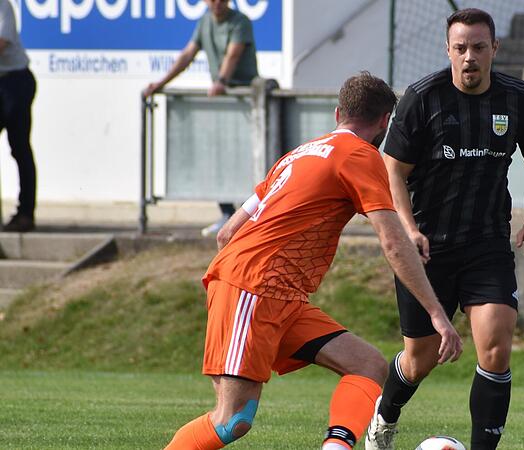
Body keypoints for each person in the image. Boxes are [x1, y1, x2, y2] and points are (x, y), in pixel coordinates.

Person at [163, 72, 462, 450]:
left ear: (338, 113)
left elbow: (227, 233)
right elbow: (393, 241)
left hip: (278, 295)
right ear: (386, 121)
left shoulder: (298, 154)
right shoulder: (362, 155)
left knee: (369, 365)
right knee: (232, 420)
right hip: (254, 289)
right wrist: (436, 313)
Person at [366, 8, 524, 450]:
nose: (469, 57)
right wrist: (409, 229)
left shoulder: (516, 98)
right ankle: (386, 414)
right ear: (447, 49)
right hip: (428, 249)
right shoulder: (422, 97)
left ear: (495, 49)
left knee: (495, 349)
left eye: (478, 47)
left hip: (487, 245)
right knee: (420, 360)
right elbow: (391, 170)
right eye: (460, 48)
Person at [142, 0, 259, 237]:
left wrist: (221, 82)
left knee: (247, 159)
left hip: (244, 100)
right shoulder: (204, 22)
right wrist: (161, 83)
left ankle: (252, 215)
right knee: (219, 157)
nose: (217, 3)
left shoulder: (240, 22)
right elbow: (187, 55)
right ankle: (227, 213)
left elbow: (233, 54)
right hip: (223, 103)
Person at [0, 0, 37, 232]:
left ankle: (25, 213)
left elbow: (1, 43)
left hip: (15, 82)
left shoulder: (2, 5)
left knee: (19, 148)